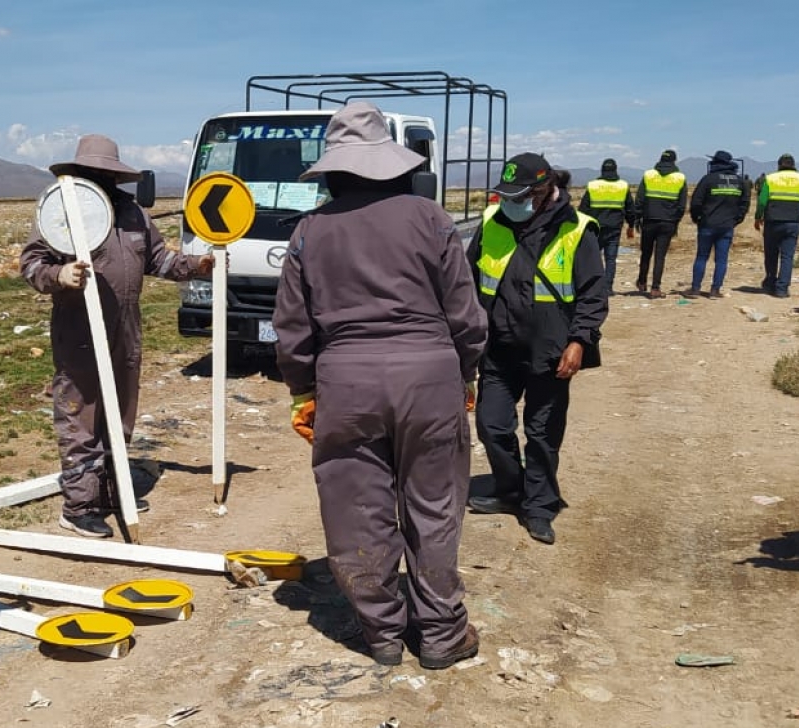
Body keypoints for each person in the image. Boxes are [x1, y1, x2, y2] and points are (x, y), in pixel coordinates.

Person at [272, 102, 487, 670]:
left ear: (334, 170)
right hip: (430, 376)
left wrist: (303, 391)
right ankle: (442, 635)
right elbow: (465, 315)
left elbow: (292, 327)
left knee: (354, 507)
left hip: (346, 383)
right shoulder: (433, 219)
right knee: (434, 505)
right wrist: (464, 374)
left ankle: (383, 633)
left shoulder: (308, 232)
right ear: (394, 165)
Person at [20, 135, 214, 539]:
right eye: (95, 171)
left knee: (120, 412)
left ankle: (113, 489)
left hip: (126, 330)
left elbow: (159, 260)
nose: (102, 178)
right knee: (81, 415)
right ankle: (80, 505)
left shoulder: (132, 214)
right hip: (79, 334)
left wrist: (198, 265)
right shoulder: (65, 209)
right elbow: (32, 263)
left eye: (107, 172)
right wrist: (59, 275)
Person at [466, 152, 608, 545]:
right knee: (492, 426)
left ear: (545, 189)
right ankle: (511, 491)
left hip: (551, 351)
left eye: (522, 195)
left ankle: (540, 507)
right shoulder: (493, 221)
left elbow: (594, 293)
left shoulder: (578, 229)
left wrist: (580, 340)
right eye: (507, 195)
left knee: (543, 433)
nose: (512, 202)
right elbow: (467, 276)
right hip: (499, 348)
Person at [684, 150, 749, 298]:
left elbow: (696, 202)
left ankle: (695, 289)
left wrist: (697, 218)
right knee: (721, 260)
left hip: (707, 224)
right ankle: (715, 290)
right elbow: (744, 204)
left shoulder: (708, 179)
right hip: (727, 226)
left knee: (701, 257)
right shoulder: (739, 181)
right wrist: (736, 220)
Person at [633, 149, 687, 298]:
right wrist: (676, 221)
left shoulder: (649, 175)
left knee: (646, 253)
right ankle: (655, 288)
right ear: (674, 161)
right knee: (660, 255)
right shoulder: (680, 178)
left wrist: (637, 218)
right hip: (668, 222)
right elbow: (682, 205)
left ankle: (642, 282)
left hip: (649, 220)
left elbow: (639, 199)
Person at [754, 154, 799, 298]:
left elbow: (761, 201)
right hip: (793, 223)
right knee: (787, 256)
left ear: (779, 165)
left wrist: (758, 217)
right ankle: (782, 289)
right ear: (793, 165)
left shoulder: (771, 179)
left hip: (772, 222)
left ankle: (770, 283)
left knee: (771, 254)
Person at [578, 158, 635, 295]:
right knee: (610, 259)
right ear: (615, 170)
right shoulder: (623, 186)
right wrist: (631, 225)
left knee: (593, 257)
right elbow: (630, 209)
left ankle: (592, 286)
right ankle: (608, 287)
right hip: (614, 227)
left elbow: (583, 209)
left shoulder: (593, 185)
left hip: (594, 228)